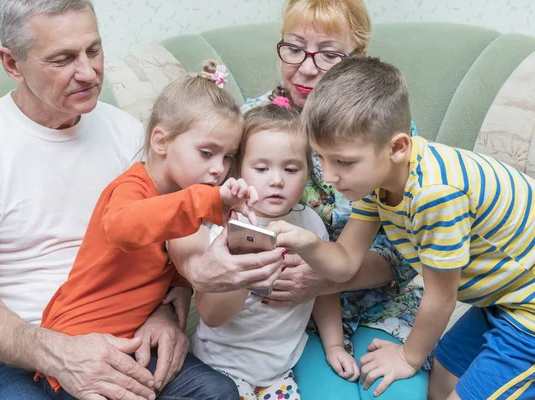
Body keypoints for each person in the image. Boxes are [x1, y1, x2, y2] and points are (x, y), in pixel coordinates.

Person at [0, 2, 240, 399]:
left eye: (93, 50)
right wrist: (62, 355)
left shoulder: (129, 134)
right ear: (12, 64)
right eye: (63, 59)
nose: (88, 72)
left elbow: (170, 238)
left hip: (129, 331)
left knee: (216, 393)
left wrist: (166, 311)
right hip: (27, 355)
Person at [271, 56, 535, 400]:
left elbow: (441, 298)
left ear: (396, 147)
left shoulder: (435, 195)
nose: (330, 175)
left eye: (344, 162)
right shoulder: (376, 180)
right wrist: (307, 243)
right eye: (320, 157)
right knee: (440, 382)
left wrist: (408, 357)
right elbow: (346, 262)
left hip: (529, 306)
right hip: (503, 297)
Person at [238, 1, 428, 399]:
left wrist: (323, 278)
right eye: (293, 48)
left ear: (357, 58)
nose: (306, 69)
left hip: (382, 302)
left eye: (328, 54)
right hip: (294, 316)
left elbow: (407, 246)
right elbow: (201, 206)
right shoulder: (252, 124)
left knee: (395, 393)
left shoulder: (386, 127)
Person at [36, 61, 256, 400]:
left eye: (228, 158)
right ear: (161, 141)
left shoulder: (184, 196)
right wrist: (206, 201)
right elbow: (124, 227)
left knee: (219, 391)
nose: (218, 170)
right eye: (207, 153)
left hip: (137, 343)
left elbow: (169, 258)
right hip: (81, 346)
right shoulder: (133, 188)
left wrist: (181, 286)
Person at [191, 102, 360, 400]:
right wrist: (245, 269)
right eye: (261, 168)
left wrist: (334, 345)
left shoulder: (310, 225)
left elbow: (324, 289)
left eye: (291, 169)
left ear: (308, 173)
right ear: (238, 169)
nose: (277, 180)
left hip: (279, 372)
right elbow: (212, 315)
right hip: (220, 367)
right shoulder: (224, 228)